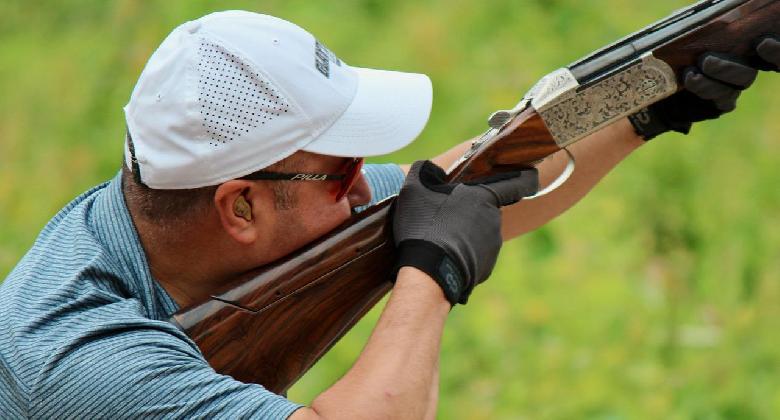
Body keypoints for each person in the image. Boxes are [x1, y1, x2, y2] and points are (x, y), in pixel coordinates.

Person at [0, 10, 777, 419]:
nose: (368, 191)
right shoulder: (75, 363)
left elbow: (463, 192)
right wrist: (428, 274)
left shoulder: (178, 215)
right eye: (340, 175)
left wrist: (642, 104)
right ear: (239, 206)